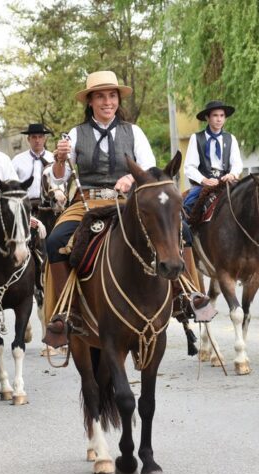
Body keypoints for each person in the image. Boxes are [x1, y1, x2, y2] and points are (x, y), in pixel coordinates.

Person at [42, 71, 159, 348]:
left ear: (118, 99)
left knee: (179, 230)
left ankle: (185, 296)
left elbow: (149, 168)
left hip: (126, 201)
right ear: (90, 102)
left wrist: (130, 177)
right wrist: (60, 159)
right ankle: (66, 312)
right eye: (100, 97)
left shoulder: (134, 132)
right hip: (87, 201)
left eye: (112, 96)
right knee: (55, 240)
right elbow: (58, 177)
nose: (108, 102)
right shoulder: (75, 134)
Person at [183, 100, 243, 214]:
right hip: (203, 185)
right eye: (215, 115)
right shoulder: (196, 138)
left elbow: (237, 163)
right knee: (189, 204)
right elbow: (189, 167)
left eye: (222, 115)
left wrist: (232, 174)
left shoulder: (231, 138)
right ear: (207, 118)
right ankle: (187, 225)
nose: (219, 119)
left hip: (226, 183)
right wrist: (204, 180)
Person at [12, 123, 55, 209]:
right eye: (34, 137)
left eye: (40, 137)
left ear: (44, 139)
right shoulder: (17, 160)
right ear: (28, 139)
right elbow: (11, 183)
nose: (37, 140)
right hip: (25, 205)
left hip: (49, 205)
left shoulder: (53, 158)